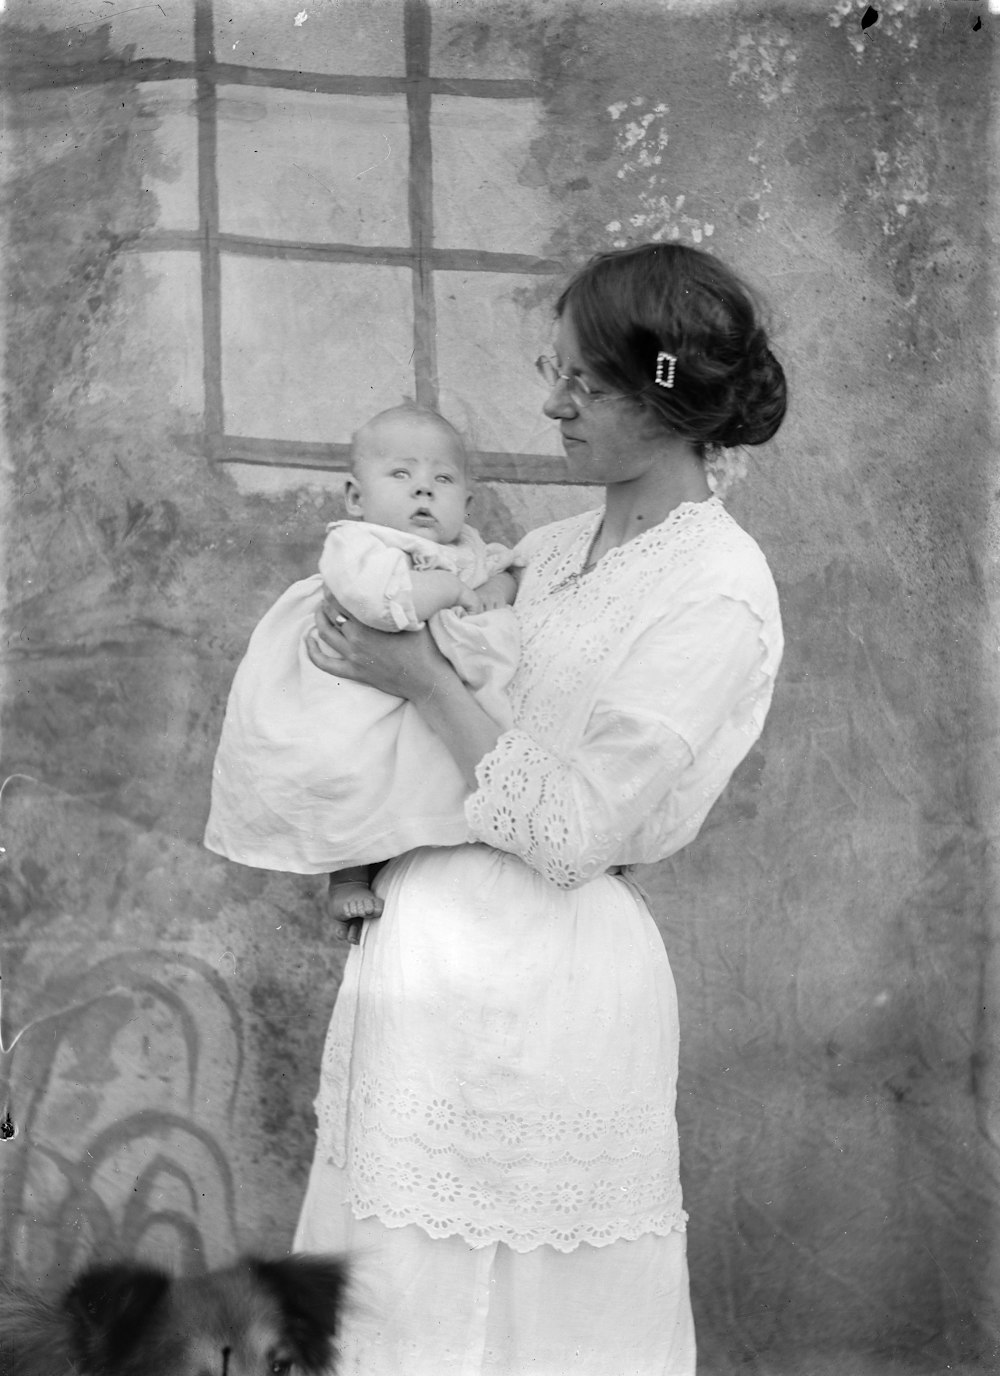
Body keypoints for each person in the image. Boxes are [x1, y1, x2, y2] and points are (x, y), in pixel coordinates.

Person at [293, 242, 787, 1375]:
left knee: (542, 1326)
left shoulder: (715, 588)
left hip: (557, 980)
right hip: (422, 965)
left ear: (663, 392)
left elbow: (571, 831)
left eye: (583, 380)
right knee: (397, 1303)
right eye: (548, 368)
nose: (550, 401)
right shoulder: (551, 550)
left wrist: (420, 677)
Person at [204, 404, 520, 928]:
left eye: (442, 478)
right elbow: (382, 603)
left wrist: (491, 589)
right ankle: (349, 874)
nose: (423, 490)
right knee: (350, 764)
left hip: (419, 689)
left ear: (466, 504)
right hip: (353, 682)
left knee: (425, 770)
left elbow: (506, 571)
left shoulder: (465, 548)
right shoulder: (358, 544)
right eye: (401, 474)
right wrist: (449, 589)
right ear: (356, 496)